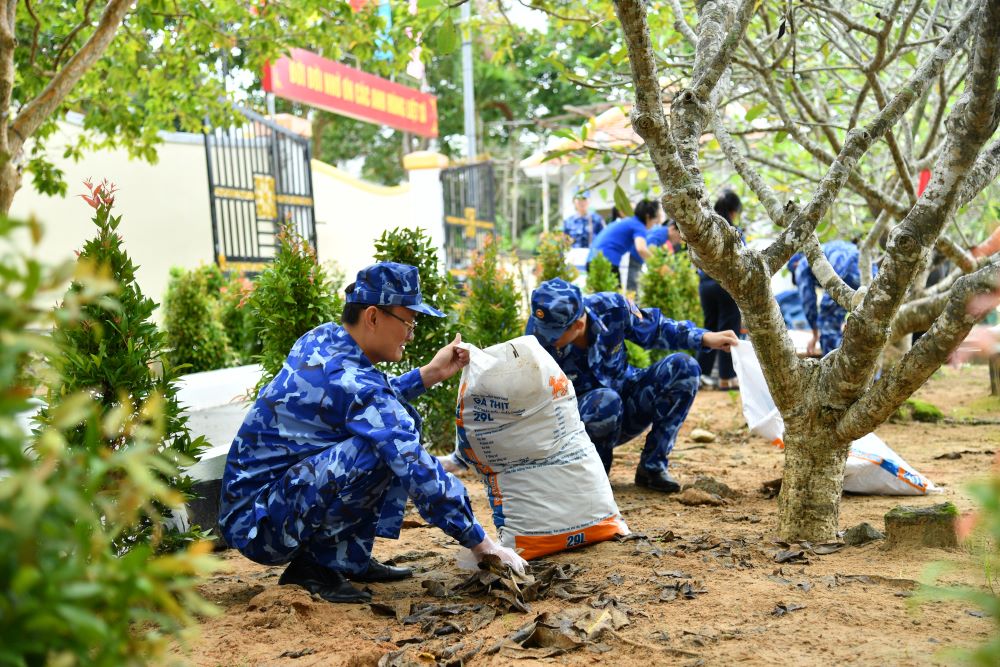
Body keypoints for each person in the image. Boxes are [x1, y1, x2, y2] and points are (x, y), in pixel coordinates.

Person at [218, 262, 527, 604]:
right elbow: (415, 465)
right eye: (407, 321)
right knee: (383, 446)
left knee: (391, 424)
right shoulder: (353, 379)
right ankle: (315, 569)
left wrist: (428, 374)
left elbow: (361, 399)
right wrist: (482, 545)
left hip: (263, 504)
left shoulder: (324, 339)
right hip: (259, 526)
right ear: (372, 317)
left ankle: (347, 557)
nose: (411, 333)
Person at [524, 278, 739, 492]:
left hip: (627, 403)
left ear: (578, 325)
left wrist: (705, 337)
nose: (545, 339)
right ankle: (593, 482)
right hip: (580, 423)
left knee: (684, 367)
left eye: (553, 335)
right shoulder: (539, 333)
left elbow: (657, 329)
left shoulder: (612, 309)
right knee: (606, 401)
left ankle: (652, 468)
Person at [697, 191, 743, 390]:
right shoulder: (733, 231)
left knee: (710, 328)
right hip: (725, 285)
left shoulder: (705, 229)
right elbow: (742, 258)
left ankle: (703, 375)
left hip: (705, 284)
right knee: (728, 329)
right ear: (734, 211)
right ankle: (726, 377)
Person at [787, 239, 863, 356]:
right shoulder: (826, 247)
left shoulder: (802, 263)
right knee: (866, 321)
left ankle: (835, 368)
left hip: (846, 270)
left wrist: (815, 332)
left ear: (794, 265)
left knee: (828, 321)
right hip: (867, 267)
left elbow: (808, 300)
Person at [589, 199, 664, 291]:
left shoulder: (628, 222)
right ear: (648, 216)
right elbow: (641, 249)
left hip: (592, 259)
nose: (655, 223)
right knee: (616, 301)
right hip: (607, 262)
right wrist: (660, 266)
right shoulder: (638, 226)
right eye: (655, 219)